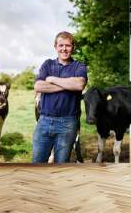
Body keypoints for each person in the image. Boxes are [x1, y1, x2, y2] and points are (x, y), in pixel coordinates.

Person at [32, 31, 87, 164]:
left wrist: (51, 79)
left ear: (72, 47)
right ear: (55, 47)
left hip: (67, 123)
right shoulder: (48, 64)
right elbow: (38, 86)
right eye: (61, 45)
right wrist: (68, 85)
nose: (64, 49)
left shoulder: (79, 66)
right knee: (37, 164)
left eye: (67, 45)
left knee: (61, 165)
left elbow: (79, 84)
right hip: (44, 121)